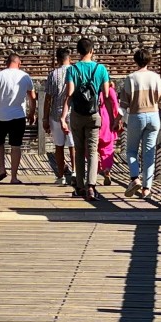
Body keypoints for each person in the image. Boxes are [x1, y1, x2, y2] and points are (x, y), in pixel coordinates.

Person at [60, 38, 117, 201]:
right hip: (94, 114)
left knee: (79, 150)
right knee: (92, 151)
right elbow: (106, 96)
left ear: (78, 52)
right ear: (92, 51)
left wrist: (63, 117)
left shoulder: (72, 70)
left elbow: (69, 95)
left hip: (77, 114)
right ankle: (91, 187)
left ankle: (79, 186)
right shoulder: (101, 69)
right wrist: (112, 118)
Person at [120, 48, 161, 200]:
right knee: (149, 154)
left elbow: (123, 103)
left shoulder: (131, 78)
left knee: (131, 151)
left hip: (137, 116)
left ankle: (135, 178)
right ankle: (146, 189)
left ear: (135, 61)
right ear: (149, 61)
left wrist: (119, 120)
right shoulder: (156, 77)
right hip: (154, 116)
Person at [0, 53, 36, 184]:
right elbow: (32, 98)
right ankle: (14, 177)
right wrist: (32, 113)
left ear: (7, 63)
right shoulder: (25, 77)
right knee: (16, 146)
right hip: (18, 116)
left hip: (0, 116)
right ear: (19, 63)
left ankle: (1, 169)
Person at [42, 47, 75, 186]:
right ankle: (75, 172)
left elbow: (48, 97)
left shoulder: (53, 74)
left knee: (59, 146)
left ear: (57, 59)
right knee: (73, 145)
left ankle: (61, 176)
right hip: (73, 113)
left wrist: (45, 117)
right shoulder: (75, 72)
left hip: (56, 113)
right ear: (70, 58)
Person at [97, 84, 122, 186]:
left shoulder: (94, 87)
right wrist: (117, 120)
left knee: (92, 147)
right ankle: (106, 169)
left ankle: (96, 167)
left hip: (95, 117)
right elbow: (115, 105)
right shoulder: (110, 90)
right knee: (107, 148)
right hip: (107, 119)